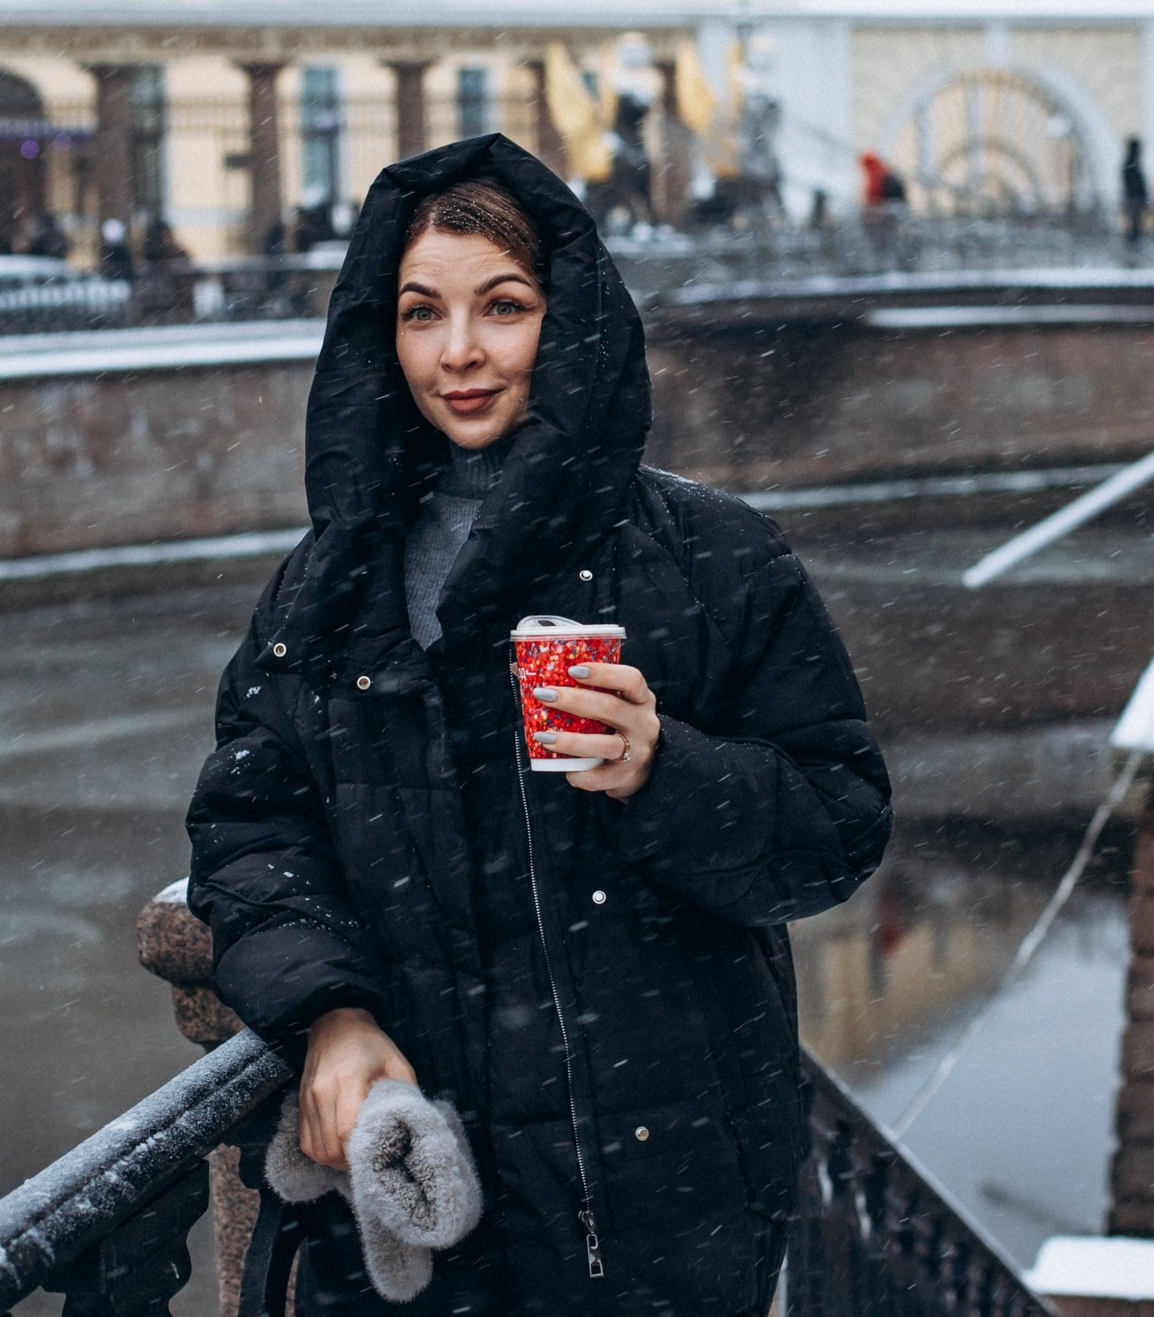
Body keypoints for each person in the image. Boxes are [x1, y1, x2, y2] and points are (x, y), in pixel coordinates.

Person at [185, 133, 891, 1315]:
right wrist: (332, 1011)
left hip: (666, 1212)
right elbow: (250, 822)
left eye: (501, 307)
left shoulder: (715, 557)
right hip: (422, 1207)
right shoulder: (330, 586)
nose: (457, 353)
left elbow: (839, 825)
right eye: (421, 314)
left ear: (570, 323)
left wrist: (665, 771)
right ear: (381, 334)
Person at [1120, 137, 1149, 245]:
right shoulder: (1132, 162)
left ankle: (1133, 241)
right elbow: (1137, 182)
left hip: (1132, 196)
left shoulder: (1129, 161)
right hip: (1134, 197)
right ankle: (1133, 242)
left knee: (1134, 221)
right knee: (1135, 221)